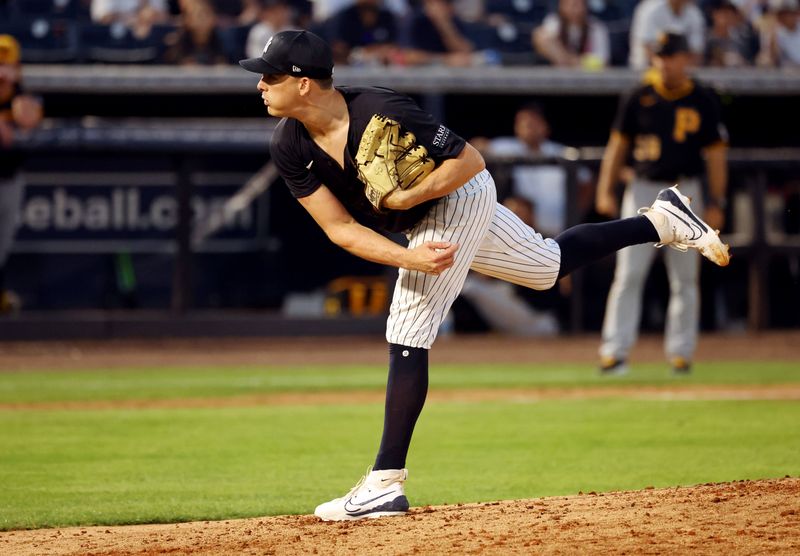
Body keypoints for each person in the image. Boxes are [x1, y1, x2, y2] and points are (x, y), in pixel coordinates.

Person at [239, 29, 729, 521]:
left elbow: (470, 160)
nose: (260, 85)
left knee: (408, 328)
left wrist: (409, 198)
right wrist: (409, 257)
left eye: (269, 76)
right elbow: (340, 227)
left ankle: (385, 483)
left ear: (304, 83)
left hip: (460, 195)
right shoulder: (288, 143)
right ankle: (660, 220)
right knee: (547, 267)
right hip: (424, 222)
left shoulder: (379, 109)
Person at [595, 32, 728, 375]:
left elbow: (715, 156)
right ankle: (615, 352)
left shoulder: (702, 97)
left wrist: (717, 200)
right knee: (628, 274)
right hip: (643, 190)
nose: (665, 62)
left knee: (684, 277)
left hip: (687, 190)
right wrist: (605, 189)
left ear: (687, 58)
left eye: (671, 56)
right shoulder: (638, 95)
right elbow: (617, 148)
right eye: (659, 56)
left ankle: (681, 354)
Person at [0, 35, 43, 314]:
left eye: (7, 64)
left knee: (1, 246)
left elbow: (29, 117)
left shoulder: (23, 96)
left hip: (9, 179)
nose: (2, 70)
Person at [532, 0, 611, 68]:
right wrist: (566, 58)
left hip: (589, 78)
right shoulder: (554, 22)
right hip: (559, 77)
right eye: (570, 5)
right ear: (561, 6)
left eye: (578, 4)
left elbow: (603, 61)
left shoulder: (596, 28)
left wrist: (573, 62)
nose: (575, 9)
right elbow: (540, 39)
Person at [629, 0, 706, 68]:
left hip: (683, 75)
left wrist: (680, 71)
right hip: (645, 72)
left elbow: (696, 53)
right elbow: (647, 49)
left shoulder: (694, 14)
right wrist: (666, 69)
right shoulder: (650, 9)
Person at [328, 0, 398, 65]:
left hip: (382, 65)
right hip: (351, 64)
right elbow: (337, 46)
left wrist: (378, 52)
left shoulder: (387, 16)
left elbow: (394, 45)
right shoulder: (345, 17)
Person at [163, 0, 228, 65]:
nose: (203, 20)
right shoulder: (176, 45)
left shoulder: (223, 43)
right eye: (198, 15)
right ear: (188, 20)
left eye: (207, 14)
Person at [705, 0, 759, 67]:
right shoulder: (707, 39)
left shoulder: (740, 39)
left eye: (729, 13)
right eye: (723, 13)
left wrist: (740, 61)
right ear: (714, 14)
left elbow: (749, 63)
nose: (726, 17)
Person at [757, 0, 800, 67]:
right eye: (782, 14)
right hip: (789, 74)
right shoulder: (775, 34)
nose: (785, 17)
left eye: (789, 13)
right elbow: (768, 58)